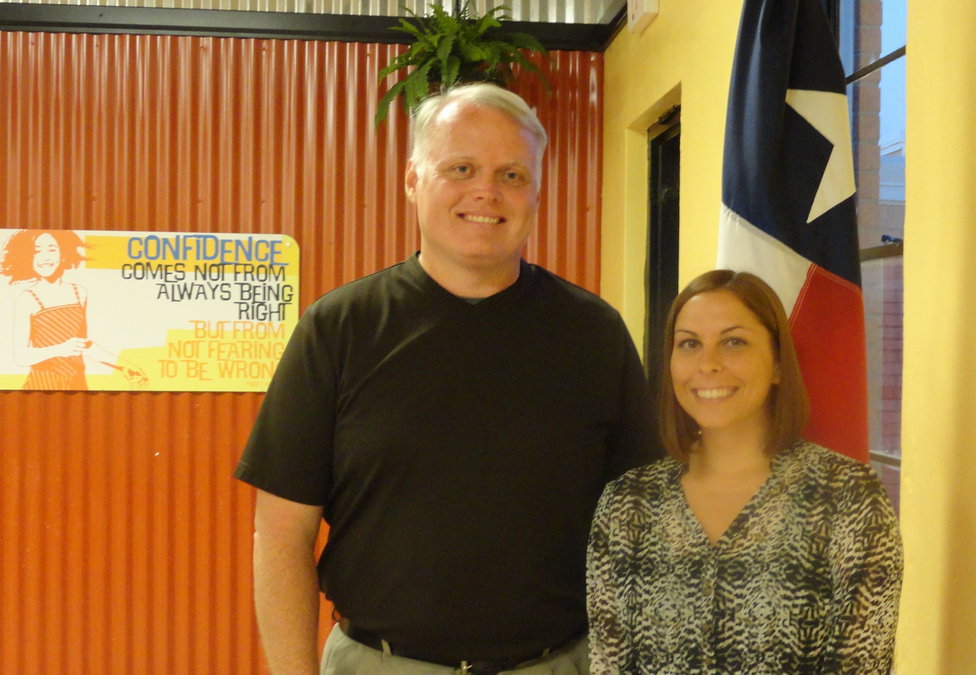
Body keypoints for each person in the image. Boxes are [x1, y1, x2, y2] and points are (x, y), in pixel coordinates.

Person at [235, 83, 660, 675]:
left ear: (536, 191)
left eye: (513, 174)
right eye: (461, 168)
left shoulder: (595, 335)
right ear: (413, 179)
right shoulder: (339, 329)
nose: (487, 191)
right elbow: (281, 535)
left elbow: (643, 526)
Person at [587, 270, 902, 674]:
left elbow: (862, 665)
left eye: (734, 342)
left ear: (776, 364)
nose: (708, 364)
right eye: (689, 344)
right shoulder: (627, 503)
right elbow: (608, 664)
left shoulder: (846, 496)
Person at [1, 229, 147, 390]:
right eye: (37, 251)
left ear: (63, 254)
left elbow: (83, 345)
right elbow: (22, 357)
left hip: (77, 384)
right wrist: (60, 349)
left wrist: (124, 366)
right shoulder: (27, 298)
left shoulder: (79, 292)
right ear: (30, 257)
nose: (45, 257)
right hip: (42, 384)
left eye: (52, 249)